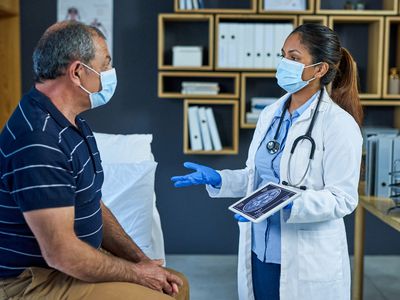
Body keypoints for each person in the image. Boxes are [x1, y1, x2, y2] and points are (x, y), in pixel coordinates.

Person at [172, 23, 363, 300]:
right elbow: (256, 176)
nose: (284, 63)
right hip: (260, 250)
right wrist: (219, 178)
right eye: (283, 55)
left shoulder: (339, 125)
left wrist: (287, 205)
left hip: (304, 259)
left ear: (320, 69)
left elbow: (343, 198)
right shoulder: (271, 113)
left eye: (294, 58)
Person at [0, 21, 188, 300]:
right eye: (106, 64)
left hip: (64, 265)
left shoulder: (70, 122)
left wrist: (142, 261)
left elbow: (89, 200)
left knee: (177, 285)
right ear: (77, 72)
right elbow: (61, 253)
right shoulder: (38, 140)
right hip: (34, 280)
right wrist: (137, 274)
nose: (111, 74)